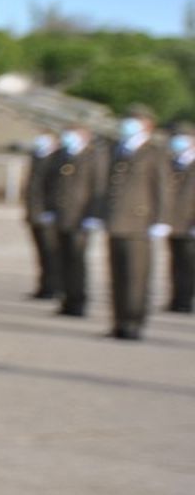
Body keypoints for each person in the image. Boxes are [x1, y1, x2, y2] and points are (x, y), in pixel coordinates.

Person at [103, 105, 171, 340]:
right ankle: (119, 321)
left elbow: (163, 188)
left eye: (134, 120)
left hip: (140, 222)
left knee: (136, 276)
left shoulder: (155, 152)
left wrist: (161, 220)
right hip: (115, 222)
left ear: (147, 125)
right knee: (117, 275)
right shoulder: (117, 149)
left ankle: (134, 322)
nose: (128, 124)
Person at [50, 122, 106, 318]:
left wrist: (93, 215)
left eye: (73, 133)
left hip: (81, 217)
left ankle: (78, 302)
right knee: (64, 260)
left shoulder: (93, 156)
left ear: (84, 135)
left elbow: (98, 187)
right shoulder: (63, 154)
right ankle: (67, 300)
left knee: (77, 261)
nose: (68, 136)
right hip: (62, 216)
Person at [24, 130, 62, 300]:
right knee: (41, 252)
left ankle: (54, 287)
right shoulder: (37, 156)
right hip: (35, 212)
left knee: (51, 252)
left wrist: (51, 210)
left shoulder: (58, 158)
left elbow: (55, 188)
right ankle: (44, 285)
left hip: (49, 213)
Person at [167, 123, 194, 314]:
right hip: (175, 221)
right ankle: (177, 298)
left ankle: (185, 300)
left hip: (190, 221)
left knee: (189, 263)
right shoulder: (175, 162)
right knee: (176, 261)